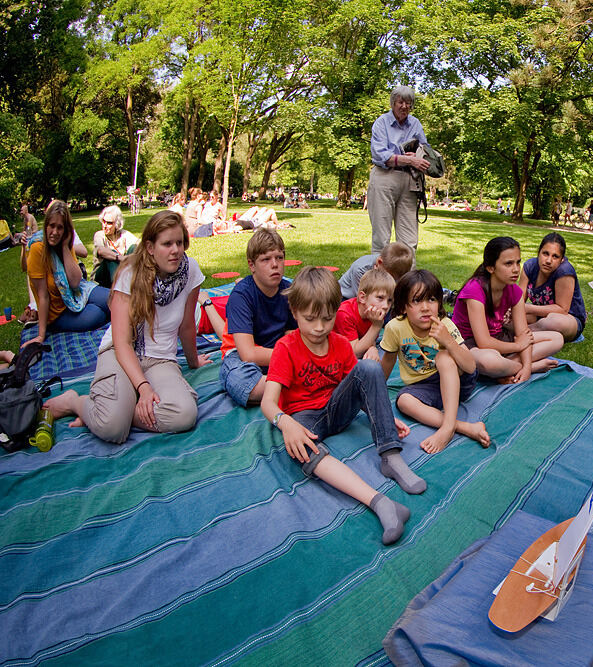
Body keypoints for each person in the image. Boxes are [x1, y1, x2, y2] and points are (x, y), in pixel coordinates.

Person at [258, 267, 423, 545]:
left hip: (337, 410)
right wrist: (286, 424)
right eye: (310, 319)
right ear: (294, 311)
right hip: (305, 419)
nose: (320, 327)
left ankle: (391, 458)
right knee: (302, 451)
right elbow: (268, 402)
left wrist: (380, 413)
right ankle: (380, 503)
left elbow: (359, 383)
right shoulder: (286, 347)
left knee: (370, 368)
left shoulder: (340, 344)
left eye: (327, 318)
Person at [43, 210, 212, 443]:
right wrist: (143, 388)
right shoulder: (130, 273)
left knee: (184, 415)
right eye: (167, 244)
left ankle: (110, 412)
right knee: (113, 430)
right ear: (151, 247)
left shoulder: (190, 271)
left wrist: (193, 362)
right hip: (121, 353)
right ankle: (78, 402)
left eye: (179, 243)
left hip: (161, 359)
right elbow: (122, 342)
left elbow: (186, 326)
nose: (175, 250)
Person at [380, 269, 489, 453]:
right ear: (403, 307)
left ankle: (447, 429)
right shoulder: (395, 327)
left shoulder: (444, 325)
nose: (425, 307)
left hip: (459, 381)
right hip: (426, 388)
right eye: (416, 300)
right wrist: (375, 390)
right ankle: (464, 427)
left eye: (431, 299)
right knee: (404, 401)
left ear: (439, 303)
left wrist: (448, 342)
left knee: (444, 356)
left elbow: (470, 366)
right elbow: (388, 361)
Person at [452, 237, 562, 383]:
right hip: (470, 344)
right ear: (491, 267)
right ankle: (517, 367)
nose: (516, 269)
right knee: (489, 361)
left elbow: (523, 334)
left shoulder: (514, 291)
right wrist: (519, 347)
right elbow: (484, 342)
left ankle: (507, 368)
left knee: (557, 338)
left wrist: (527, 367)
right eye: (508, 263)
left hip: (499, 338)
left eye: (518, 262)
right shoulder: (475, 290)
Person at [218, 228, 298, 407]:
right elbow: (247, 353)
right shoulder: (242, 296)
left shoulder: (288, 292)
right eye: (266, 259)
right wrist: (295, 356)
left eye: (279, 257)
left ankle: (282, 388)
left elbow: (292, 333)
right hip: (240, 358)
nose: (275, 264)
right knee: (242, 381)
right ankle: (292, 388)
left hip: (276, 354)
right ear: (251, 265)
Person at [23, 201, 110, 346]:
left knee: (116, 298)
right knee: (99, 313)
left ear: (65, 230)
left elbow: (76, 282)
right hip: (58, 314)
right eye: (52, 226)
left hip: (77, 293)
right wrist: (41, 335)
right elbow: (43, 296)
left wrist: (64, 246)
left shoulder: (64, 242)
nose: (55, 232)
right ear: (46, 225)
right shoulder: (38, 248)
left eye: (60, 227)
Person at [368, 85, 429, 255]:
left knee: (409, 239)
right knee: (381, 237)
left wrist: (418, 154)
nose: (404, 106)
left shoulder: (415, 124)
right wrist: (409, 159)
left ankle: (408, 281)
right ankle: (381, 280)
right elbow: (381, 156)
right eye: (400, 102)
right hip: (384, 178)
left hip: (409, 179)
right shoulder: (381, 123)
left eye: (408, 103)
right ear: (393, 103)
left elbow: (426, 150)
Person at [519, 232, 587, 343]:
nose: (549, 261)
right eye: (545, 253)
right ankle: (528, 332)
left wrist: (527, 308)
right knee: (509, 317)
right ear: (538, 253)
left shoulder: (564, 272)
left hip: (567, 319)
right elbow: (519, 300)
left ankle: (520, 335)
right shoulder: (529, 266)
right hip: (539, 315)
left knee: (552, 322)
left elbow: (562, 309)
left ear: (562, 259)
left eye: (555, 256)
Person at [334, 267, 395, 361]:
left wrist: (372, 348)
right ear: (362, 297)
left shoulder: (373, 313)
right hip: (343, 356)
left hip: (362, 344)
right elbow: (354, 353)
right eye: (380, 298)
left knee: (395, 349)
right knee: (373, 365)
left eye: (389, 300)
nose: (386, 306)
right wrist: (376, 326)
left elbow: (371, 339)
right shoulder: (344, 314)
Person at [338, 242, 414, 301]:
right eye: (390, 276)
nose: (392, 280)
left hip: (379, 297)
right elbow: (363, 299)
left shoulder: (396, 269)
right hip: (348, 298)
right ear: (379, 262)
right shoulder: (360, 269)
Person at [92, 205, 138, 288]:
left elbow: (140, 245)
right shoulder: (99, 235)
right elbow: (101, 251)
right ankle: (123, 288)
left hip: (122, 271)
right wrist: (120, 258)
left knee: (134, 247)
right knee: (111, 254)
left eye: (109, 223)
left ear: (117, 224)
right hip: (103, 276)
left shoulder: (124, 234)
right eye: (103, 221)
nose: (105, 225)